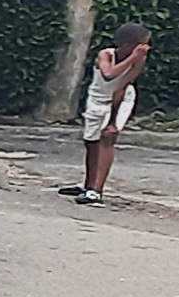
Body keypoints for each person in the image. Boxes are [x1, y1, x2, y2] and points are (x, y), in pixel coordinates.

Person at [62, 15, 152, 204]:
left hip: (121, 99)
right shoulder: (106, 55)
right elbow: (109, 74)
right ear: (128, 45)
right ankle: (87, 183)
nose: (146, 48)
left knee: (107, 139)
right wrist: (132, 58)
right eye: (142, 44)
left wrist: (112, 121)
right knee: (91, 141)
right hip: (98, 97)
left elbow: (120, 88)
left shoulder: (139, 60)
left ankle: (96, 190)